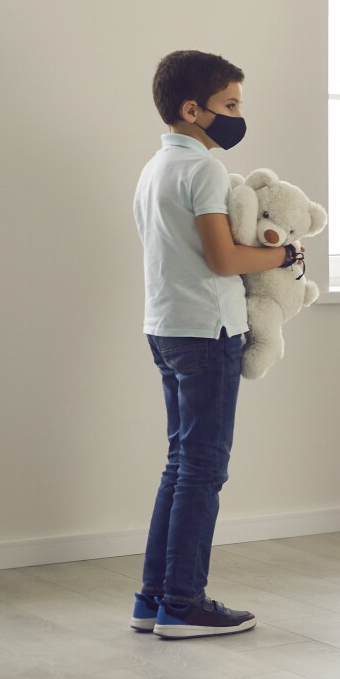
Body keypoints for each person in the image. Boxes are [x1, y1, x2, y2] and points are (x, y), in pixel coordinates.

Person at [132, 51, 303, 638]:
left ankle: (153, 597)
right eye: (228, 105)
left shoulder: (155, 166)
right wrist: (285, 256)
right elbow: (223, 257)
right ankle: (183, 604)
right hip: (207, 331)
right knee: (203, 470)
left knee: (180, 464)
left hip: (165, 326)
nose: (236, 116)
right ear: (191, 109)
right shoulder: (203, 170)